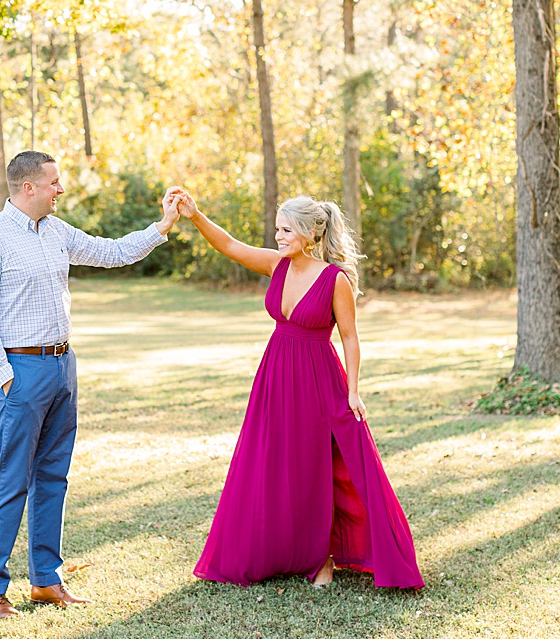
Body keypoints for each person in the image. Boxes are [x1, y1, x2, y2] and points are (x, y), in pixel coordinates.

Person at [169, 189, 423, 589]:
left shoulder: (334, 279)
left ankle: (322, 558)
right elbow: (231, 246)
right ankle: (279, 550)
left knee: (317, 465)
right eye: (277, 229)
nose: (278, 237)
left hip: (319, 380)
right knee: (273, 464)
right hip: (275, 377)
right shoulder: (277, 267)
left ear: (308, 232)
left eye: (286, 229)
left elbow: (351, 338)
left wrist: (354, 391)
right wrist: (196, 216)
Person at [0, 150, 181, 618]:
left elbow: (112, 251)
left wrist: (161, 226)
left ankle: (45, 580)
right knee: (11, 479)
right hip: (21, 375)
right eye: (54, 183)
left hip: (64, 366)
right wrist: (6, 379)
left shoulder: (57, 232)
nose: (60, 189)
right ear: (29, 188)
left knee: (53, 476)